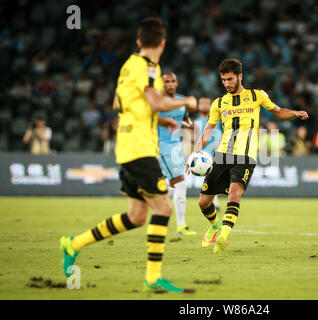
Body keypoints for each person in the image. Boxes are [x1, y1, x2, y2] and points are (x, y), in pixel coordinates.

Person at [59, 17, 197, 293]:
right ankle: (152, 277)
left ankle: (73, 244)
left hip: (127, 146)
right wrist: (186, 101)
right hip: (140, 148)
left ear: (138, 41)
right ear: (163, 43)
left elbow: (120, 104)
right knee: (163, 208)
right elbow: (155, 101)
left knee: (136, 216)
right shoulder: (148, 68)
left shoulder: (128, 67)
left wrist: (160, 121)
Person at [191, 58, 308, 254]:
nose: (227, 83)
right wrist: (194, 154)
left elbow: (278, 112)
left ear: (240, 76)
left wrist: (295, 113)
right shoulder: (218, 103)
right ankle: (215, 226)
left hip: (246, 157)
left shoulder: (256, 96)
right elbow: (207, 131)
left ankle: (224, 237)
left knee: (234, 194)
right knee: (203, 202)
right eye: (223, 80)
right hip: (222, 156)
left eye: (230, 79)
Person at [157, 71, 197, 236]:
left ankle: (154, 201)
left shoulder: (181, 101)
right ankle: (181, 226)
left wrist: (190, 126)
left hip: (176, 147)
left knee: (173, 185)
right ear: (162, 84)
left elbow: (185, 118)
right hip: (162, 146)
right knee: (180, 183)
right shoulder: (156, 101)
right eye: (167, 81)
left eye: (173, 81)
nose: (170, 84)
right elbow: (148, 119)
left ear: (177, 83)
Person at [194, 96, 223, 212]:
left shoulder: (218, 119)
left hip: (219, 152)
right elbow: (196, 139)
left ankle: (214, 202)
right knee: (209, 179)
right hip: (204, 155)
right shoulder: (196, 122)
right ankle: (214, 203)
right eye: (202, 103)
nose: (205, 105)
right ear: (198, 106)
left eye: (207, 103)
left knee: (215, 179)